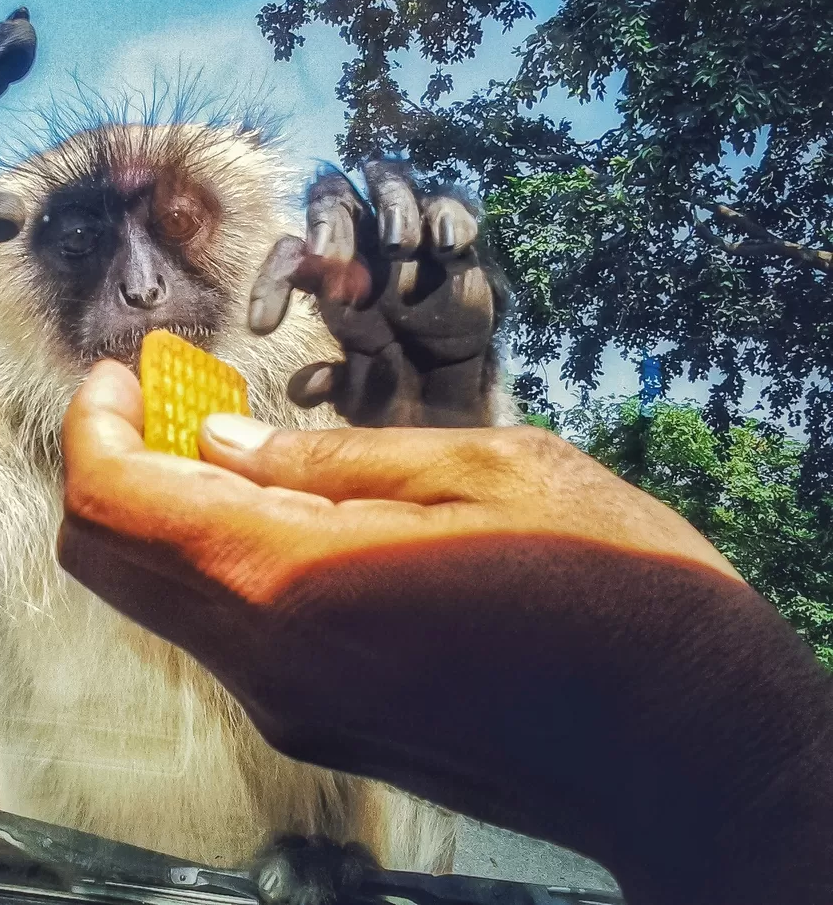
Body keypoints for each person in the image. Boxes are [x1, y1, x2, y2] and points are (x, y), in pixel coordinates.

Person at [56, 359, 833, 905]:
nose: (142, 282)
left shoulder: (303, 389)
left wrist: (713, 736)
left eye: (184, 224)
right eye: (81, 240)